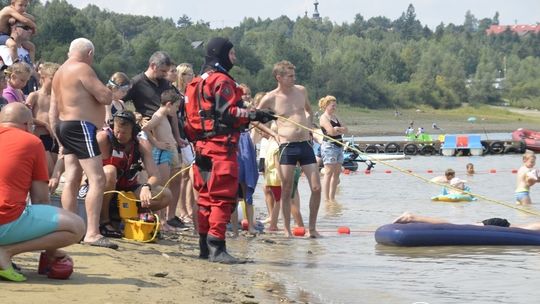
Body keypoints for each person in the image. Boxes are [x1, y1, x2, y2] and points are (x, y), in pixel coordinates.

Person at [185, 37, 275, 263]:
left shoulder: (196, 82)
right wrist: (256, 115)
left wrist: (248, 111)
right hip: (220, 149)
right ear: (221, 54)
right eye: (232, 53)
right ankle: (217, 247)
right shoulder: (221, 80)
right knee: (222, 199)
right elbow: (227, 113)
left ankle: (205, 248)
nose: (234, 57)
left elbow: (197, 116)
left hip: (201, 148)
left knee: (205, 199)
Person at [0, 103, 85, 282]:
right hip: (4, 220)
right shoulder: (31, 142)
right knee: (76, 226)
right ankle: (6, 252)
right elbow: (40, 199)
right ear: (27, 125)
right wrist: (51, 251)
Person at [49, 38, 116, 249]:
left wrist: (59, 138)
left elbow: (52, 111)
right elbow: (105, 97)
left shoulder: (58, 73)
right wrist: (109, 90)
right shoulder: (82, 69)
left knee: (72, 178)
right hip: (81, 127)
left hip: (64, 126)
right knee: (97, 178)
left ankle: (71, 229)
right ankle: (92, 233)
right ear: (89, 54)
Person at [257, 60, 321, 238]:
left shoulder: (301, 90)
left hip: (305, 144)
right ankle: (286, 229)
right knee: (286, 189)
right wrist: (273, 133)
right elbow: (254, 118)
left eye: (294, 75)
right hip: (287, 146)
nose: (294, 78)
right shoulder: (270, 97)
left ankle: (313, 229)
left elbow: (308, 109)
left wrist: (308, 123)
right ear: (279, 77)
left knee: (316, 187)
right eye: (290, 76)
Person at [97, 110, 171, 237]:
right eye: (117, 131)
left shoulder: (141, 144)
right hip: (101, 185)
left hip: (126, 188)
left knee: (165, 195)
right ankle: (104, 221)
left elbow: (155, 175)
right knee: (110, 171)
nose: (119, 136)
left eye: (124, 133)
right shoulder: (103, 138)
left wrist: (147, 187)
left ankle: (123, 215)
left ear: (134, 132)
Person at [141, 88, 183, 231]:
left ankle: (163, 220)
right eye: (177, 107)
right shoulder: (158, 115)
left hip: (167, 152)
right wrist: (156, 143)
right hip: (160, 153)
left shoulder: (164, 116)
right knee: (162, 187)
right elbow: (145, 128)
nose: (177, 111)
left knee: (166, 186)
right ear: (169, 104)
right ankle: (161, 221)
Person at [26, 62, 60, 175]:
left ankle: (49, 192)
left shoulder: (57, 97)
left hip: (54, 137)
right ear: (43, 77)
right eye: (52, 78)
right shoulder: (34, 95)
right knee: (48, 170)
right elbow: (26, 116)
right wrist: (44, 124)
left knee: (54, 171)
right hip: (40, 135)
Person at [318, 95, 348, 202]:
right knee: (329, 172)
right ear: (326, 106)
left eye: (335, 105)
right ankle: (326, 199)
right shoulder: (323, 117)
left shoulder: (336, 117)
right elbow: (330, 132)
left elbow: (346, 129)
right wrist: (337, 130)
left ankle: (332, 198)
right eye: (332, 105)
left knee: (337, 172)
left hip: (339, 145)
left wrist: (338, 128)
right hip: (329, 146)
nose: (334, 107)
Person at [393, 212, 540, 231]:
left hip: (495, 222)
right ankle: (412, 217)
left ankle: (412, 217)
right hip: (495, 223)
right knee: (451, 226)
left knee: (452, 225)